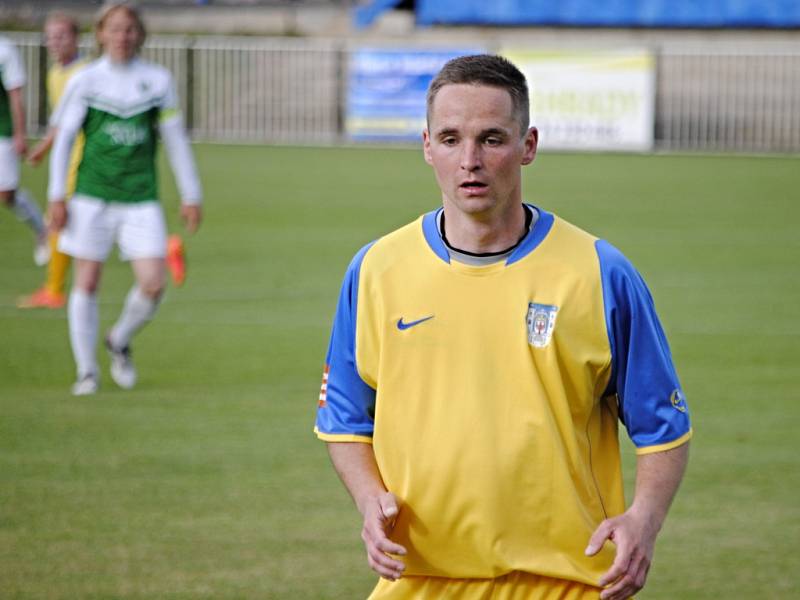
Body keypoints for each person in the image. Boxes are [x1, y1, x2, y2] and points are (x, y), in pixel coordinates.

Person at [315, 54, 691, 600]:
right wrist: (369, 498)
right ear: (426, 146)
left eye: (492, 139)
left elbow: (664, 428)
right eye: (450, 139)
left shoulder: (599, 271)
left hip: (568, 581)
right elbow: (345, 420)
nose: (470, 160)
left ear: (528, 145)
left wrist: (645, 520)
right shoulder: (375, 269)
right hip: (420, 580)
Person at [48, 1, 202, 395]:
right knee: (86, 281)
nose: (122, 36)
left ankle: (118, 338)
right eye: (114, 29)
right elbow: (64, 138)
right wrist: (56, 196)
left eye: (129, 29)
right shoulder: (85, 81)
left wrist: (191, 193)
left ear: (140, 34)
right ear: (100, 33)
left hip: (140, 196)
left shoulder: (157, 81)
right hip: (91, 196)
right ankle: (86, 371)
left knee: (153, 283)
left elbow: (175, 139)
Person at [17, 12, 87, 309]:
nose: (55, 42)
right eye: (51, 37)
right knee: (75, 224)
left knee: (58, 221)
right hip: (68, 157)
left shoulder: (83, 73)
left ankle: (54, 291)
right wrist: (46, 148)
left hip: (83, 159)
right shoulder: (56, 73)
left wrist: (44, 147)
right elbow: (60, 121)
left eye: (62, 36)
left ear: (76, 38)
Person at [0, 34, 49, 266]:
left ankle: (42, 230)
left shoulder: (5, 50)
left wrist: (20, 133)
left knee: (6, 194)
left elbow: (15, 96)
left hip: (3, 131)